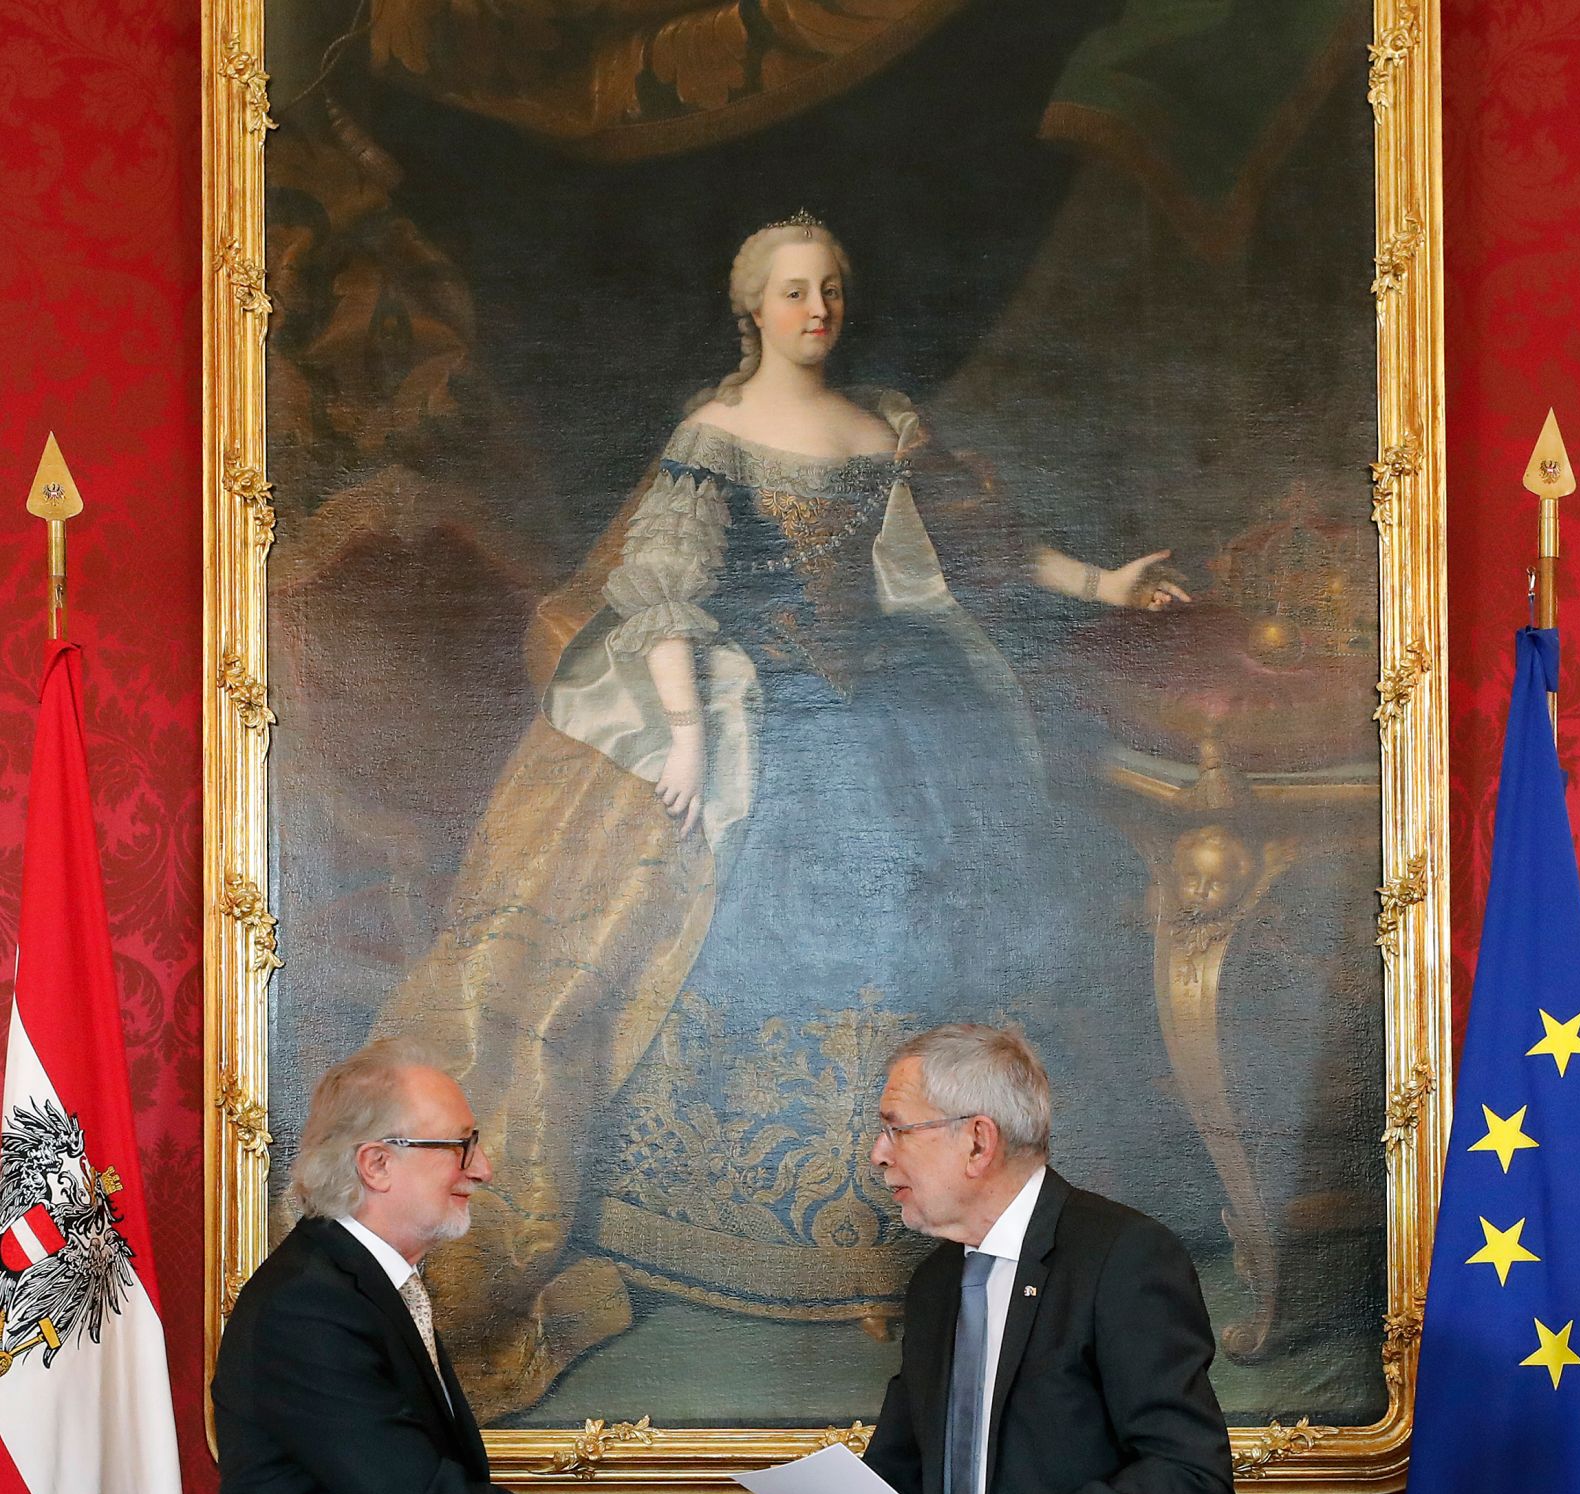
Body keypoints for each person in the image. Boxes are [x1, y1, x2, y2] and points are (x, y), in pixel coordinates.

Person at [379, 212, 1186, 1418]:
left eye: (832, 289)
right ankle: (734, 1228)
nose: (819, 308)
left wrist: (1101, 583)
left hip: (896, 710)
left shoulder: (885, 424)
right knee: (735, 936)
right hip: (761, 714)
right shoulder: (716, 434)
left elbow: (982, 547)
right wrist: (690, 742)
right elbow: (659, 593)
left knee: (929, 941)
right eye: (795, 291)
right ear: (749, 307)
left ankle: (901, 1223)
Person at [666, 1024, 1278, 1494]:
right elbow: (895, 1480)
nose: (877, 1154)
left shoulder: (1123, 1257)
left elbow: (1189, 1474)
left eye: (894, 1128)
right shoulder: (936, 1285)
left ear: (977, 1142)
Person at [171, 1039, 725, 1494]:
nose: (483, 1169)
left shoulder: (375, 1293)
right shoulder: (307, 1305)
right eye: (461, 1146)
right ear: (376, 1163)